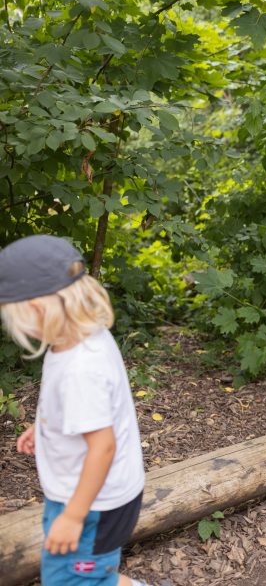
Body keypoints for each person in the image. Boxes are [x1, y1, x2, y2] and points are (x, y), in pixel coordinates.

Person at [1, 235, 149, 586]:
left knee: (72, 580)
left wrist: (74, 516)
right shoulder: (81, 337)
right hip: (91, 494)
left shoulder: (80, 369)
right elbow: (83, 407)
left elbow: (103, 446)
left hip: (93, 504)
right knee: (86, 573)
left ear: (37, 308)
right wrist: (45, 426)